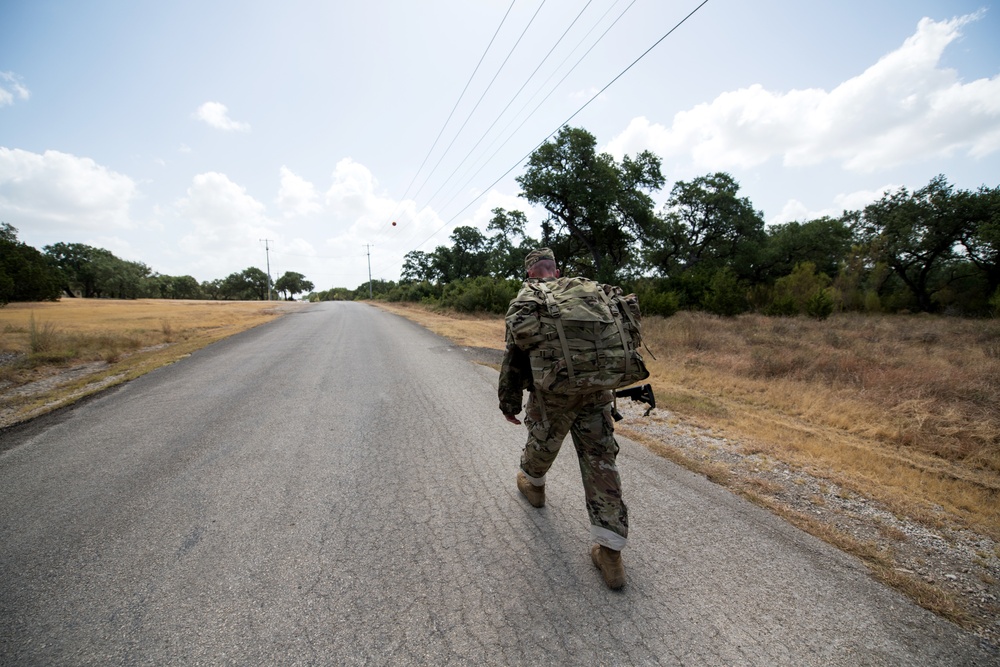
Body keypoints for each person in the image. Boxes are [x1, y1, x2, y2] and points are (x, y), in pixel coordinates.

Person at [498, 248, 629, 589]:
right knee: (601, 461)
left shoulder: (530, 299)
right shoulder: (588, 291)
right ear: (555, 270)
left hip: (552, 394)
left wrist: (509, 402)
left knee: (542, 442)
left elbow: (515, 357)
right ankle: (611, 554)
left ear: (530, 273)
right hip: (597, 390)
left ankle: (534, 486)